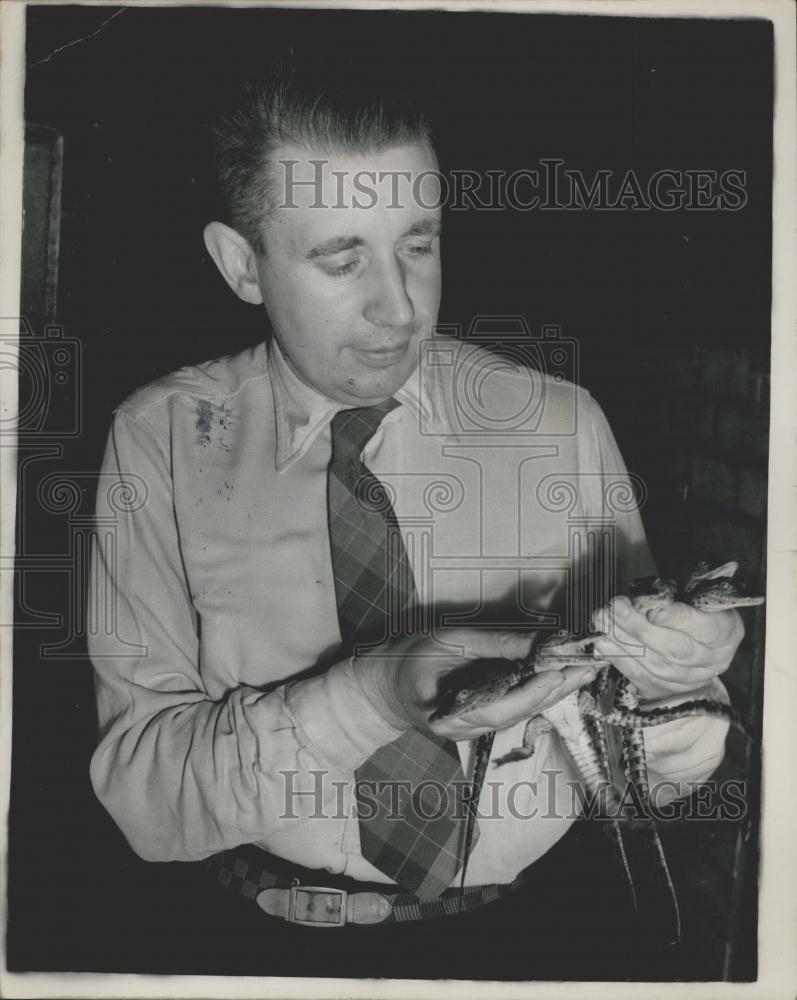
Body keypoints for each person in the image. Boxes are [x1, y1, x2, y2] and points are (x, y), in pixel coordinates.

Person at [87, 67, 743, 980]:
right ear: (241, 263)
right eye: (341, 258)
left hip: (535, 940)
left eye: (419, 244)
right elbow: (147, 805)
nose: (398, 308)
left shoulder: (560, 420)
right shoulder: (160, 435)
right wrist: (374, 696)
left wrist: (676, 694)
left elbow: (643, 771)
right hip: (247, 948)